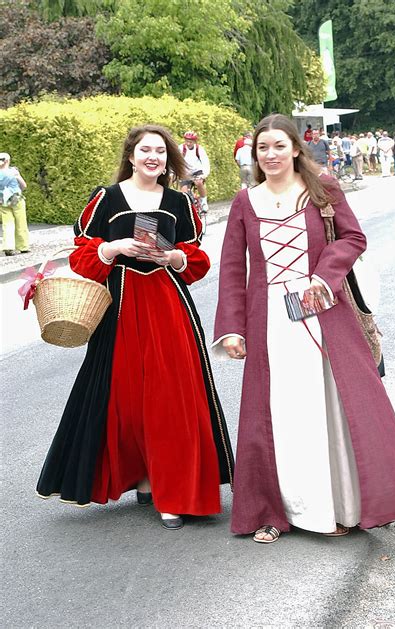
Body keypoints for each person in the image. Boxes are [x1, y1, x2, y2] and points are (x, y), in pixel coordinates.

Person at [213, 113, 395, 543]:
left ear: (296, 148)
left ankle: (342, 505)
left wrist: (323, 275)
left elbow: (352, 238)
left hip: (322, 309)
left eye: (279, 146)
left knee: (331, 410)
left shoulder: (322, 188)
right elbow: (233, 269)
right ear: (254, 155)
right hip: (271, 320)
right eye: (263, 148)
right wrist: (233, 328)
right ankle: (283, 511)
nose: (271, 154)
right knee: (282, 417)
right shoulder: (245, 202)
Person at [36, 124, 234, 529]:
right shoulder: (107, 198)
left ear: (168, 158)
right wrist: (113, 248)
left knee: (171, 397)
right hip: (121, 306)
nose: (153, 157)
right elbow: (82, 255)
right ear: (130, 155)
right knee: (127, 398)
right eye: (146, 150)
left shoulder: (179, 201)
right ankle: (144, 477)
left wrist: (173, 258)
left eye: (160, 151)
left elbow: (195, 258)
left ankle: (171, 491)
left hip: (168, 304)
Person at [0, 152, 29, 256]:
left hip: (2, 201)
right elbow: (24, 185)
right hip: (17, 199)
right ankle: (23, 246)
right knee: (21, 222)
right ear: (7, 161)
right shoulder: (13, 171)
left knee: (7, 224)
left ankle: (8, 247)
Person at [178, 130, 211, 212]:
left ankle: (203, 202)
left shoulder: (199, 149)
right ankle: (187, 208)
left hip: (197, 171)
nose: (188, 143)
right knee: (184, 193)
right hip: (185, 172)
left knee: (198, 183)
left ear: (194, 141)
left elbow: (205, 162)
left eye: (190, 141)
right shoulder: (181, 148)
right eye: (186, 141)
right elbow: (176, 161)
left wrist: (204, 174)